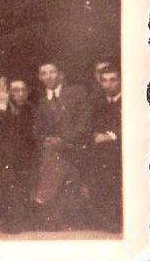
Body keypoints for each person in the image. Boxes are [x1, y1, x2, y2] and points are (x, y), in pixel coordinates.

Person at [31, 60, 91, 230]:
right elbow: (36, 129)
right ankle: (51, 214)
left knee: (53, 157)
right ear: (39, 77)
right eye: (44, 73)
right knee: (52, 155)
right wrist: (45, 139)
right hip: (51, 149)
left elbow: (84, 123)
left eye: (52, 72)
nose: (48, 76)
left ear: (59, 74)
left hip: (75, 145)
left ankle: (41, 200)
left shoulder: (76, 93)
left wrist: (64, 140)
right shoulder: (40, 100)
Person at [0, 78, 36, 232]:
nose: (20, 94)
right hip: (1, 154)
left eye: (23, 90)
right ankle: (13, 219)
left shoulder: (31, 109)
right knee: (8, 169)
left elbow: (33, 133)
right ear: (8, 93)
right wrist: (2, 105)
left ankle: (20, 217)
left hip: (26, 153)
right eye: (15, 90)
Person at [86, 62, 122, 232]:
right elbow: (91, 125)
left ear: (120, 81)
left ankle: (115, 219)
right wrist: (94, 135)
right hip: (101, 150)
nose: (108, 84)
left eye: (113, 80)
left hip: (123, 148)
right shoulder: (98, 102)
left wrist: (111, 136)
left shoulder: (131, 100)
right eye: (105, 80)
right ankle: (103, 218)